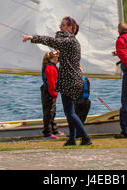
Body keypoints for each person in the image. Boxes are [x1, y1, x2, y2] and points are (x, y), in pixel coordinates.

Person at [21, 17, 92, 146]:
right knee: (70, 112)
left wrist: (33, 37)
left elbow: (51, 41)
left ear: (71, 28)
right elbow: (57, 43)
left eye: (64, 25)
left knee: (69, 112)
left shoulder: (69, 41)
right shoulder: (71, 41)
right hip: (73, 79)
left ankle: (85, 137)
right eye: (61, 25)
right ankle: (72, 139)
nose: (61, 27)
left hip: (69, 80)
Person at [40, 50, 64, 139]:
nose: (59, 59)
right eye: (57, 57)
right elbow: (51, 83)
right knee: (48, 112)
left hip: (50, 91)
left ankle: (54, 130)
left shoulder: (52, 66)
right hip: (48, 92)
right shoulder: (50, 68)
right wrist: (54, 95)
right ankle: (47, 133)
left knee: (52, 112)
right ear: (54, 58)